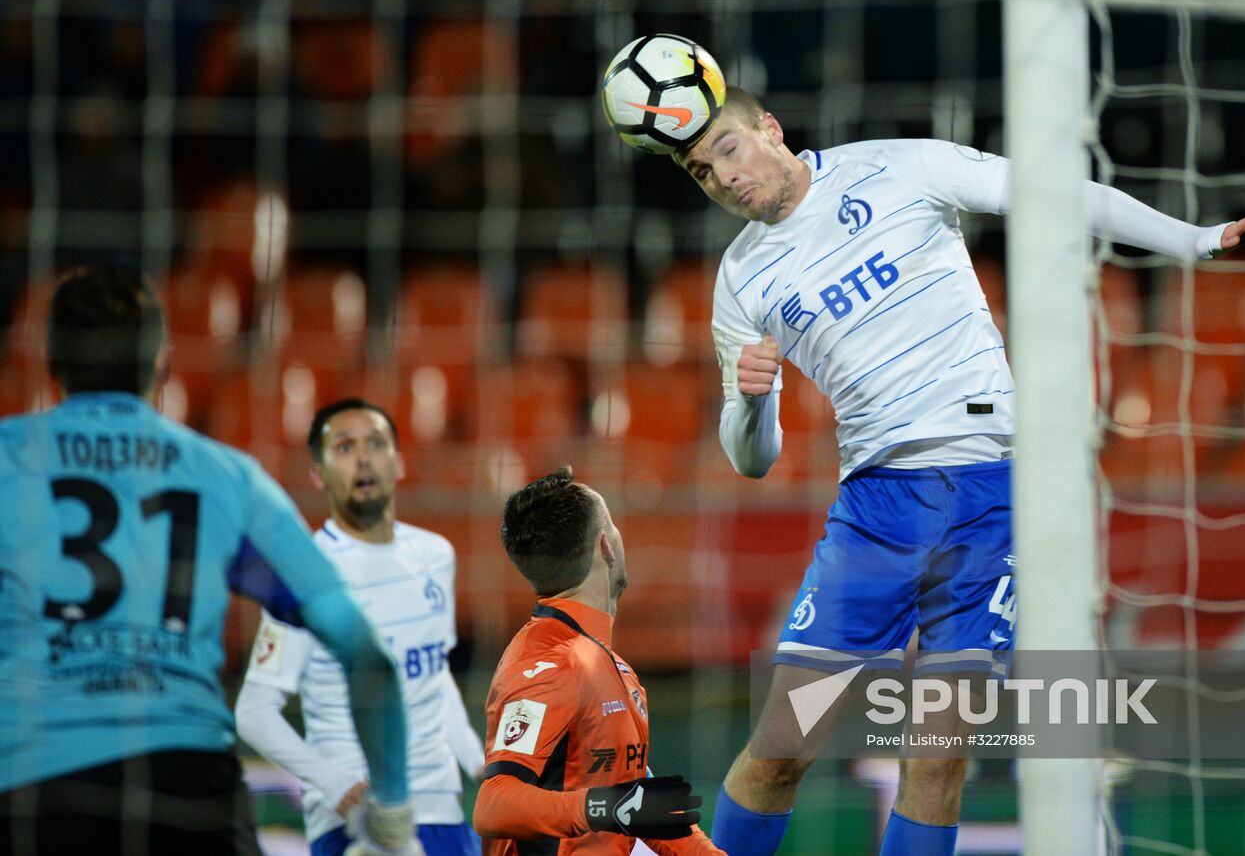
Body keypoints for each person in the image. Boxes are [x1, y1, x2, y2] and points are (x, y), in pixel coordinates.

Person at [672, 87, 1245, 856]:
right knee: (780, 748)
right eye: (701, 173)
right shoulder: (740, 282)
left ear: (770, 128)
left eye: (727, 150)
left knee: (937, 758)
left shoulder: (899, 169)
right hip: (875, 512)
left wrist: (1197, 239)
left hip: (989, 496)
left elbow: (1056, 196)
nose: (723, 177)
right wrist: (754, 403)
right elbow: (751, 460)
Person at [0, 266, 421, 856]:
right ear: (164, 362)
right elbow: (364, 652)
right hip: (187, 793)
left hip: (36, 791)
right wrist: (394, 811)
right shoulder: (227, 478)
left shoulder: (8, 459)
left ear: (49, 358)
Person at [236, 398, 486, 856]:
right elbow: (254, 710)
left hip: (441, 812)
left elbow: (432, 678)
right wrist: (334, 782)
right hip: (354, 820)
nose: (364, 458)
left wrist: (481, 763)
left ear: (400, 461)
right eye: (345, 447)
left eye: (376, 443)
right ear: (317, 473)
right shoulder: (304, 574)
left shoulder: (435, 555)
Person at [473, 466, 723, 855]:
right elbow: (494, 805)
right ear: (606, 546)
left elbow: (643, 809)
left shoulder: (612, 667)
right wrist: (607, 807)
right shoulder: (548, 661)